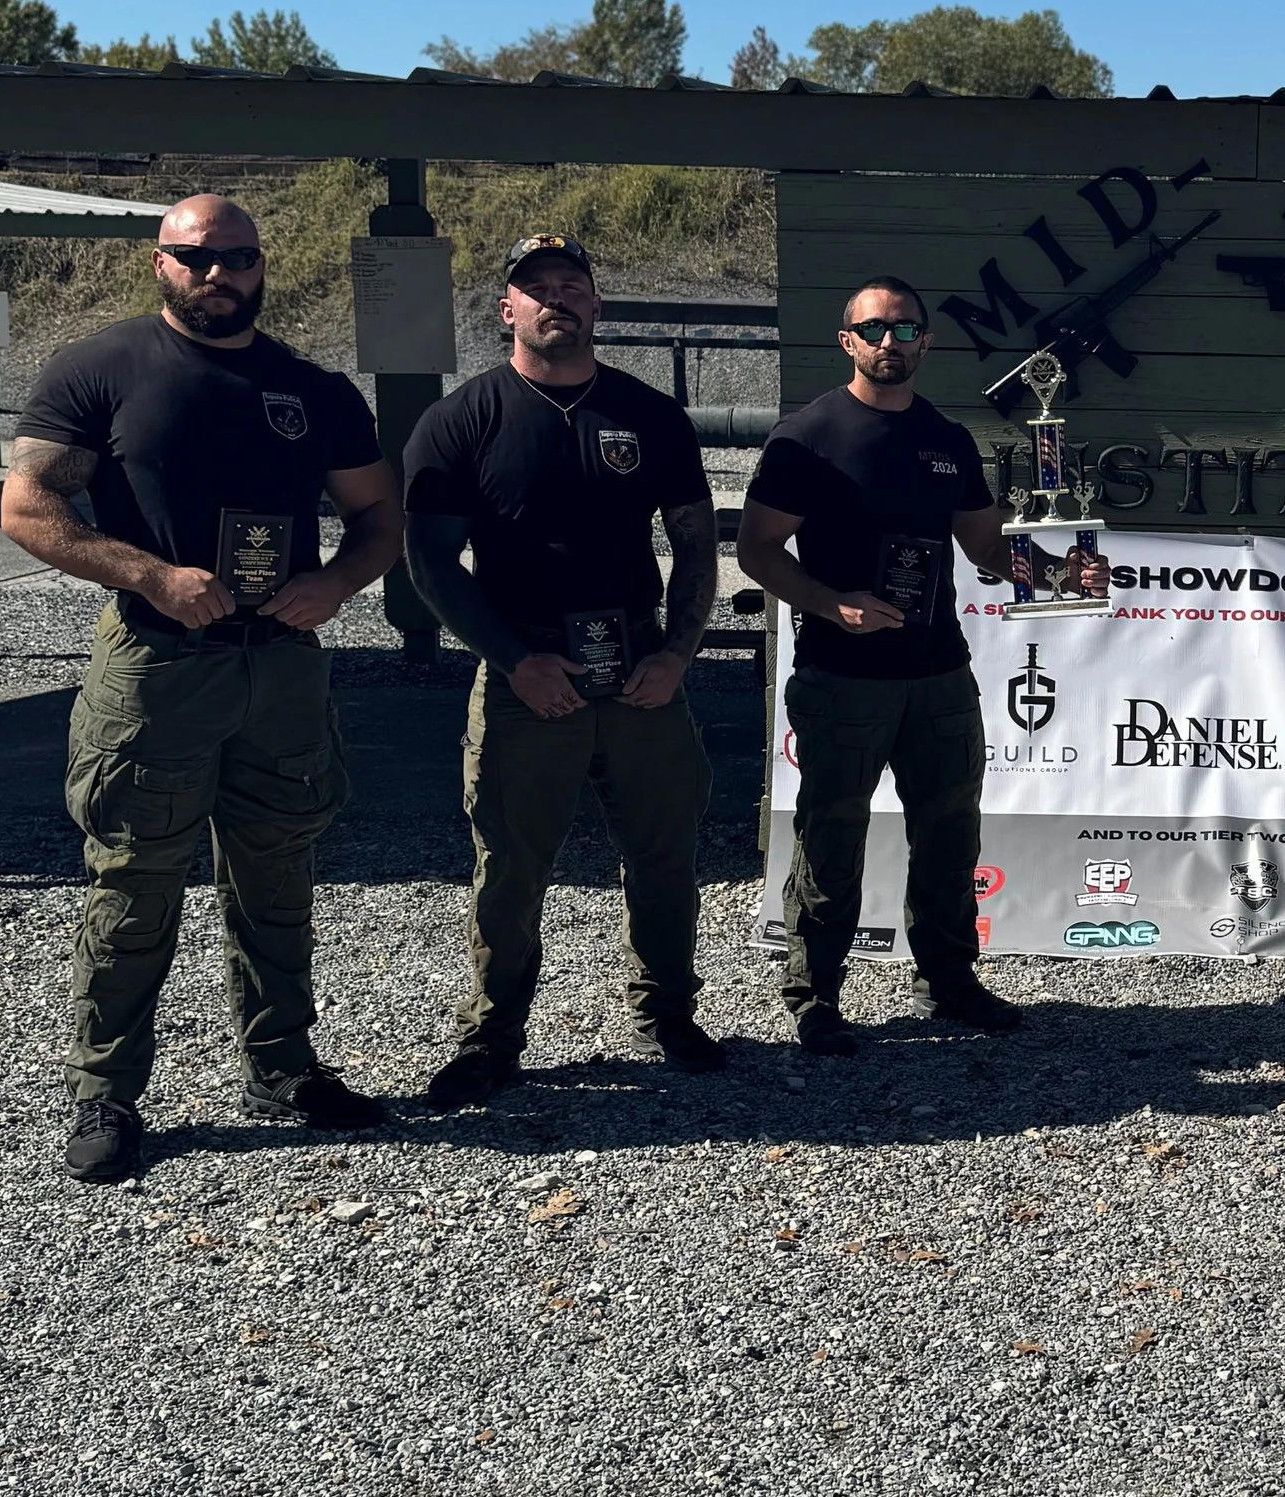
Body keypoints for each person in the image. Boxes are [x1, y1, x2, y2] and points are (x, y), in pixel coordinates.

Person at [0, 192, 403, 1182]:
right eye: (194, 257)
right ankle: (107, 1091)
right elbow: (27, 504)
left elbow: (378, 517)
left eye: (235, 257)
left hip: (279, 667)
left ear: (262, 266)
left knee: (276, 877)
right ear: (160, 264)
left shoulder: (311, 389)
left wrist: (335, 583)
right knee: (135, 882)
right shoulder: (102, 369)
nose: (216, 273)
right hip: (157, 666)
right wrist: (148, 575)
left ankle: (283, 1069)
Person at [735, 276, 1105, 1052]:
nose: (889, 343)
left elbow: (986, 548)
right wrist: (833, 602)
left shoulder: (947, 440)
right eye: (874, 329)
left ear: (925, 341)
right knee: (832, 835)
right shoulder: (806, 437)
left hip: (938, 672)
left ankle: (950, 979)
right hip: (843, 674)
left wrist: (1066, 574)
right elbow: (758, 550)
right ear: (848, 341)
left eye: (905, 330)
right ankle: (815, 996)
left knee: (948, 834)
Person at [402, 234, 723, 1106]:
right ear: (506, 309)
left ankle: (668, 1013)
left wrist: (676, 654)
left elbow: (695, 543)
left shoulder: (651, 415)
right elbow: (429, 564)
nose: (555, 301)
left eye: (571, 286)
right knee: (510, 865)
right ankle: (493, 1036)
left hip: (639, 671)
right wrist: (512, 661)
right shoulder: (462, 420)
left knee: (664, 854)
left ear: (597, 305)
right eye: (534, 289)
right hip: (526, 675)